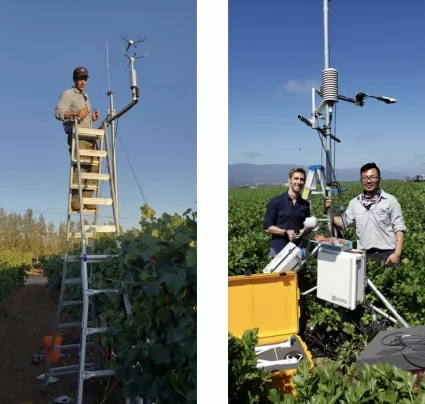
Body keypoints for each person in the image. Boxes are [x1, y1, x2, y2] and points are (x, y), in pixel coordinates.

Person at [324, 162, 406, 267]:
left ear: (379, 179)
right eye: (365, 178)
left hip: (388, 254)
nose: (368, 181)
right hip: (363, 255)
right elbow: (342, 223)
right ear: (361, 181)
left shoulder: (390, 201)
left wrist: (397, 253)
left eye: (372, 177)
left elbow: (399, 228)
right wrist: (328, 210)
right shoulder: (355, 203)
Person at [54, 66, 101, 211]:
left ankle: (87, 198)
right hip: (76, 134)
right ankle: (75, 200)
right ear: (74, 79)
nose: (83, 82)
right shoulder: (68, 94)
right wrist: (74, 113)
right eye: (80, 79)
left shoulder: (86, 97)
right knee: (79, 164)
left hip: (89, 134)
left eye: (85, 79)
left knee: (94, 164)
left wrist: (92, 118)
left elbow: (83, 117)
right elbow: (58, 113)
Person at [263, 167, 311, 257]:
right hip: (278, 252)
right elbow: (267, 227)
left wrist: (304, 231)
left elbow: (304, 227)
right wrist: (286, 232)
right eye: (296, 178)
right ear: (289, 180)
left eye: (302, 179)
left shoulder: (305, 205)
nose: (299, 182)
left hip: (298, 251)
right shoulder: (276, 202)